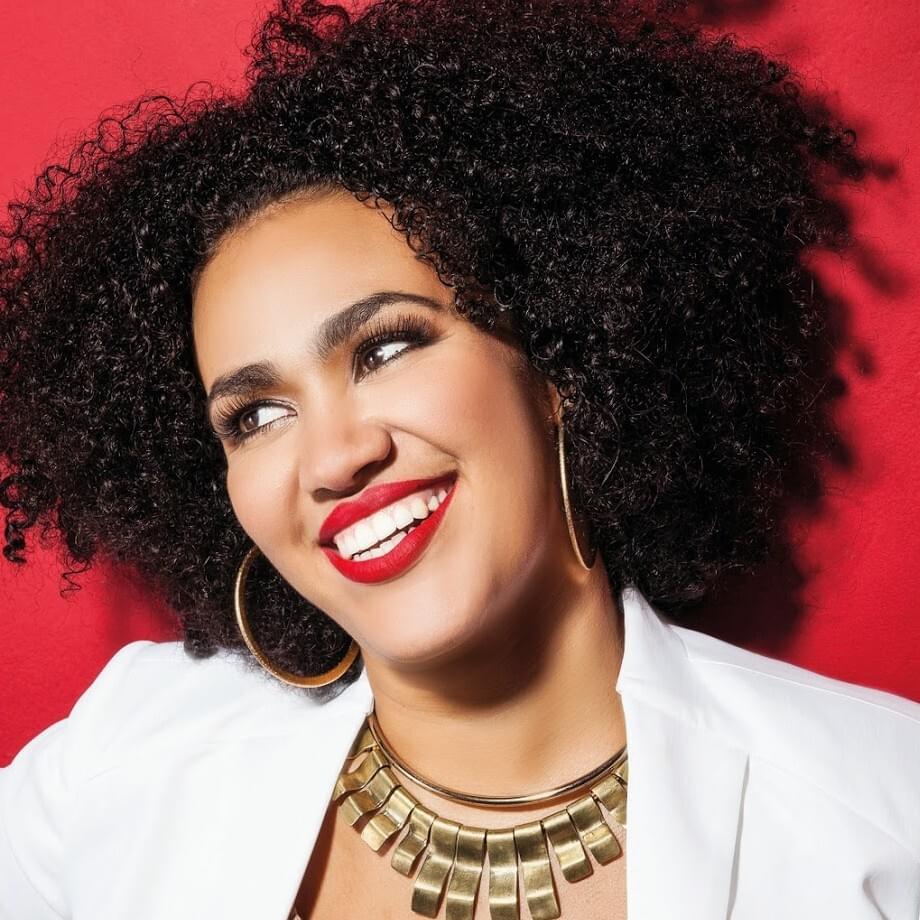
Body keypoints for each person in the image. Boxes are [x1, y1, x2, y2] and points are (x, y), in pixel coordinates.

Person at [1, 0, 918, 917]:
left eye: (387, 349)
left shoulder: (880, 819)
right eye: (257, 416)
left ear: (558, 359)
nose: (334, 459)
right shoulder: (121, 765)